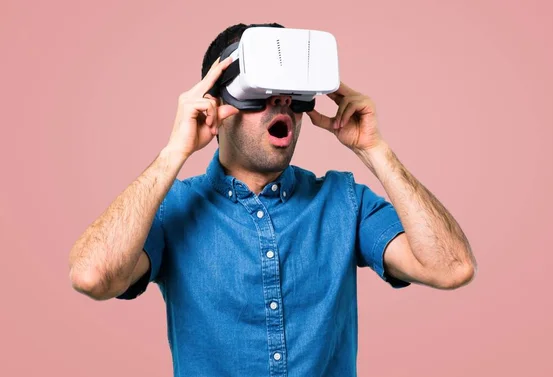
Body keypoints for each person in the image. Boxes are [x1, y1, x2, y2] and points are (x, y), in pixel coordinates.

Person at [68, 22, 477, 377]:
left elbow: (452, 268)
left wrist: (374, 149)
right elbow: (92, 276)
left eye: (290, 93)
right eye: (261, 91)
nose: (281, 101)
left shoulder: (344, 202)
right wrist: (173, 153)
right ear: (216, 101)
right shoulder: (173, 209)